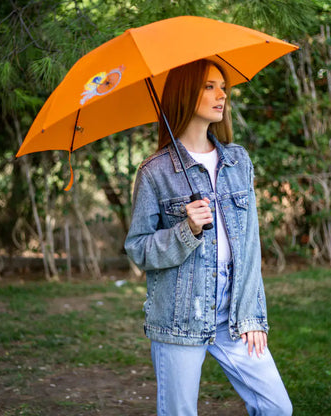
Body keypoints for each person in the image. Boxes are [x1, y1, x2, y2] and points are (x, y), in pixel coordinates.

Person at [124, 59, 292, 416]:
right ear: (185, 94)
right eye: (209, 87)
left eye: (223, 87)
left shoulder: (238, 161)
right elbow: (137, 248)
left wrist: (253, 316)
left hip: (233, 314)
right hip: (179, 316)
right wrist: (187, 231)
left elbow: (250, 246)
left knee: (277, 407)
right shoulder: (155, 172)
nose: (222, 95)